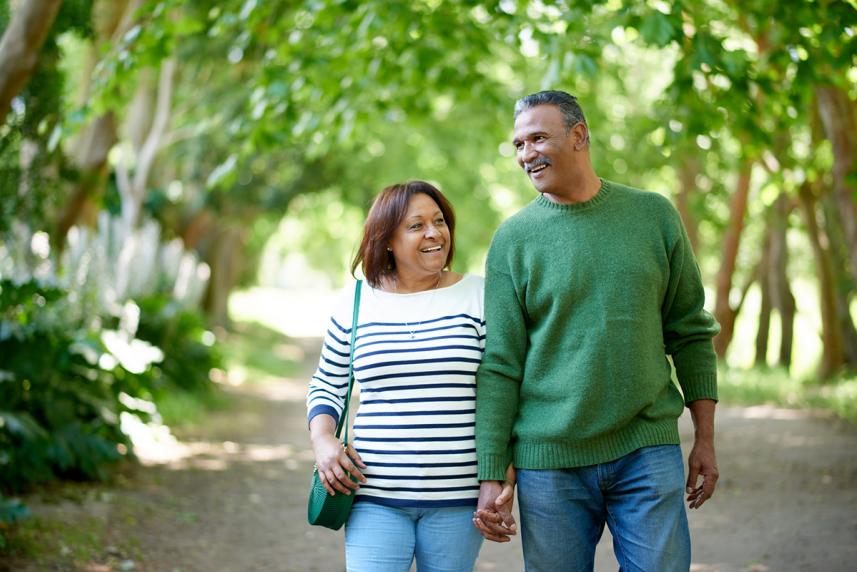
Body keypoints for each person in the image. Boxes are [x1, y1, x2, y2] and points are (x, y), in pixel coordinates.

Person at [472, 90, 721, 571]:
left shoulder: (653, 216)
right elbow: (500, 364)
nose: (526, 155)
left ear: (579, 136)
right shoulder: (513, 240)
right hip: (550, 463)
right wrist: (490, 473)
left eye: (538, 138)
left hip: (646, 447)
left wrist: (705, 440)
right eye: (519, 145)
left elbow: (690, 331)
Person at [306, 180, 514, 572]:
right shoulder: (355, 302)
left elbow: (501, 391)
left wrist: (500, 475)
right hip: (373, 495)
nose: (434, 233)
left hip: (458, 500)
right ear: (386, 240)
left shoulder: (480, 296)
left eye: (439, 221)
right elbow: (327, 383)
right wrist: (322, 439)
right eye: (416, 225)